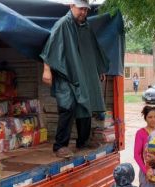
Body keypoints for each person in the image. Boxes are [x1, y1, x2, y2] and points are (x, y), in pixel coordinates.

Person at [40, 0, 109, 158]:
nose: (84, 13)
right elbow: (50, 47)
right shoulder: (63, 24)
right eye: (81, 9)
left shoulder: (86, 26)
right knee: (68, 106)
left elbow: (92, 49)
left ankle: (83, 141)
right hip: (66, 74)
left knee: (86, 105)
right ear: (71, 6)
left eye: (86, 10)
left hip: (83, 74)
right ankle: (60, 146)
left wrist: (98, 68)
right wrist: (46, 69)